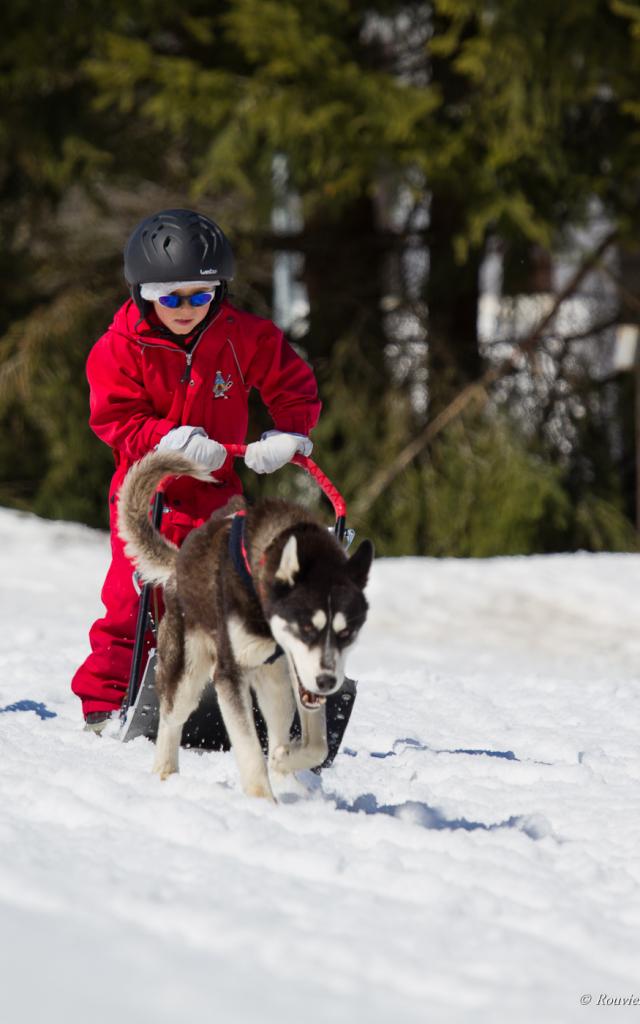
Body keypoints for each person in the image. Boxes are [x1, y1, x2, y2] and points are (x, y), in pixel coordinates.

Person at [72, 208, 321, 732]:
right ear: (143, 293)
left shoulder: (241, 336)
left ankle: (227, 696)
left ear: (219, 293)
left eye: (199, 296)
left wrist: (289, 435)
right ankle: (108, 700)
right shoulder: (120, 348)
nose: (186, 309)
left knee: (229, 595)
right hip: (147, 496)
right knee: (133, 598)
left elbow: (291, 383)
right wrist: (167, 442)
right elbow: (115, 420)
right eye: (171, 298)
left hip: (218, 497)